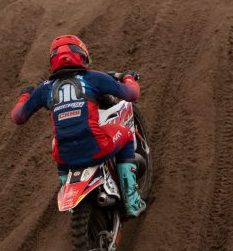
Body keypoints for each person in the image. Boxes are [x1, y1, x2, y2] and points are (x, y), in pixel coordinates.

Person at [10, 35, 146, 218]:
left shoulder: (45, 88)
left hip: (65, 158)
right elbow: (131, 94)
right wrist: (128, 78)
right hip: (97, 147)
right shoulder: (93, 78)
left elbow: (18, 117)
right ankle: (132, 200)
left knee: (55, 143)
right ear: (82, 56)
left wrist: (24, 97)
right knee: (126, 134)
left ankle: (70, 195)